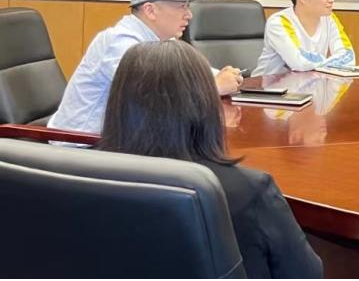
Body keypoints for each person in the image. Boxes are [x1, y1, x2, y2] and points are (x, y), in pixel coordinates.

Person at [97, 40, 323, 279]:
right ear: (205, 104)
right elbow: (305, 273)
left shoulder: (84, 174)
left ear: (118, 102)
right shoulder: (249, 190)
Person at [49, 0, 242, 134]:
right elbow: (151, 100)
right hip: (84, 145)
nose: (189, 15)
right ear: (150, 10)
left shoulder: (164, 41)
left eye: (188, 6)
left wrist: (226, 76)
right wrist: (213, 87)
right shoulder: (121, 42)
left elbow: (199, 75)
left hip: (125, 137)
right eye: (181, 6)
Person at [252, 0, 355, 76]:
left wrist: (322, 62)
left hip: (307, 83)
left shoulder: (329, 19)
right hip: (266, 86)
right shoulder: (279, 22)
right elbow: (300, 63)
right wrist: (332, 62)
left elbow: (348, 58)